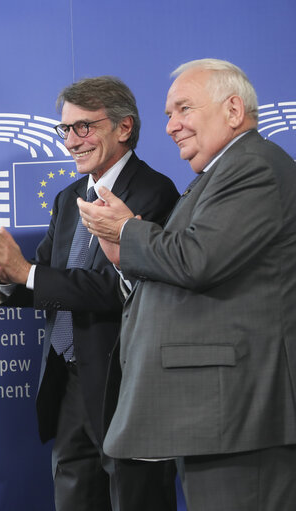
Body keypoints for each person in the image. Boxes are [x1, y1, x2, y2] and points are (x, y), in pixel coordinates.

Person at [79, 59, 296, 510]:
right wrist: (127, 253)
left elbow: (199, 259)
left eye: (183, 109)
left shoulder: (251, 167)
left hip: (241, 417)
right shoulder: (218, 174)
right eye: (167, 115)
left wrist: (127, 231)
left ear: (233, 110)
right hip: (219, 419)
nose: (172, 126)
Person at [0, 76, 178, 511]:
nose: (71, 140)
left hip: (125, 387)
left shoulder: (155, 193)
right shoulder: (67, 199)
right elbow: (45, 280)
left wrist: (27, 271)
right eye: (65, 129)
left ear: (124, 127)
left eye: (84, 127)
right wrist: (10, 276)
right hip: (68, 386)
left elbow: (118, 289)